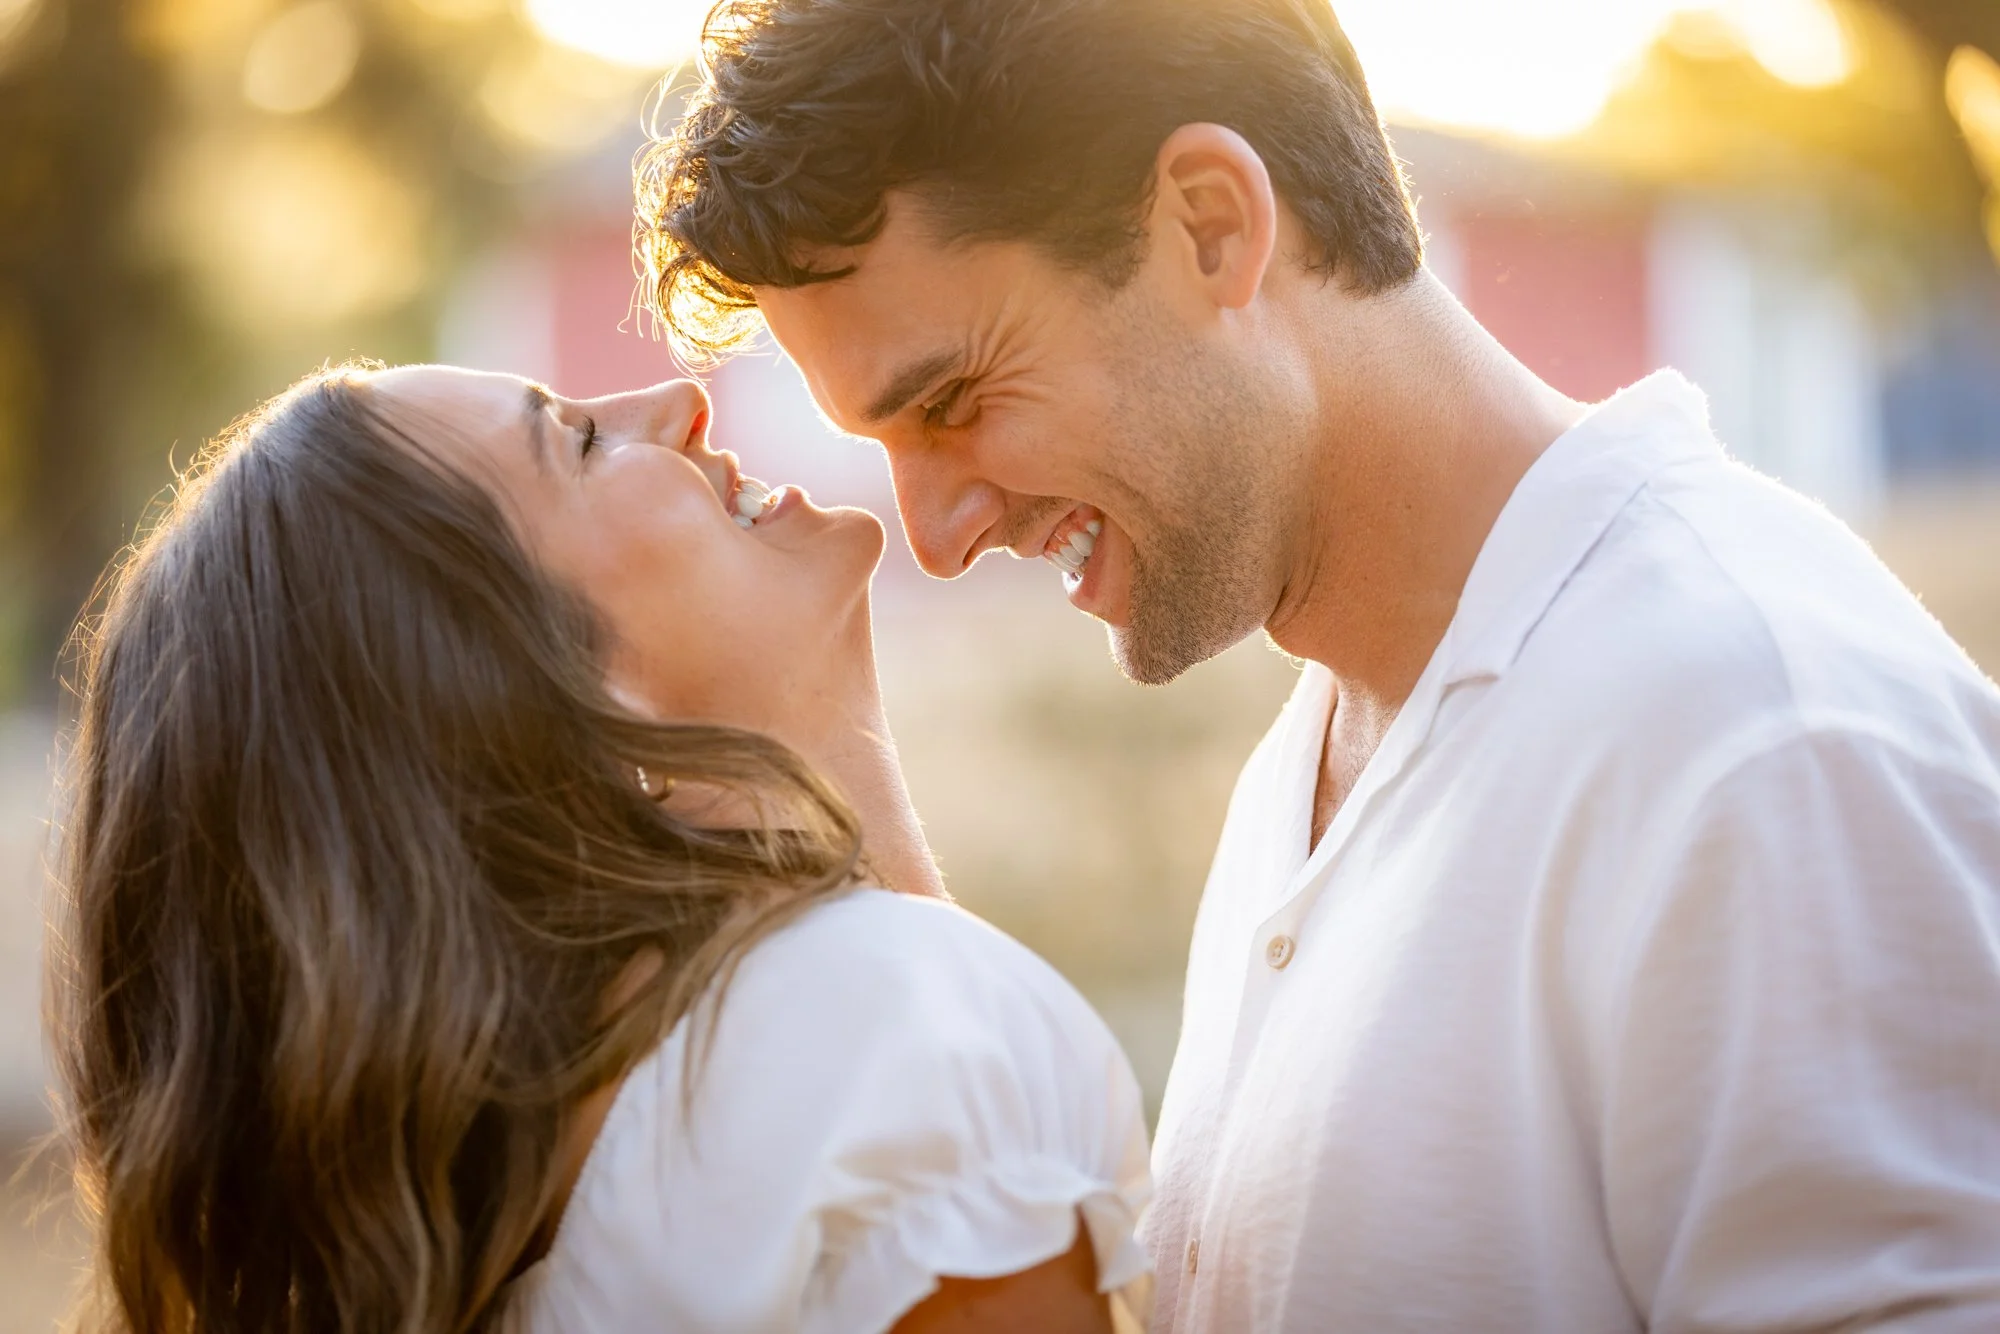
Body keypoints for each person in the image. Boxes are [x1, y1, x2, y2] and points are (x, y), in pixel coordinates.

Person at [635, 0, 2000, 1329]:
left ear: (1211, 225)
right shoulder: (1322, 760)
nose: (933, 537)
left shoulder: (1760, 739)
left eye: (954, 400)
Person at [48, 364, 1153, 1333]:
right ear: (520, 701)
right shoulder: (870, 1043)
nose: (678, 399)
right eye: (577, 442)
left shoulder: (555, 1250)